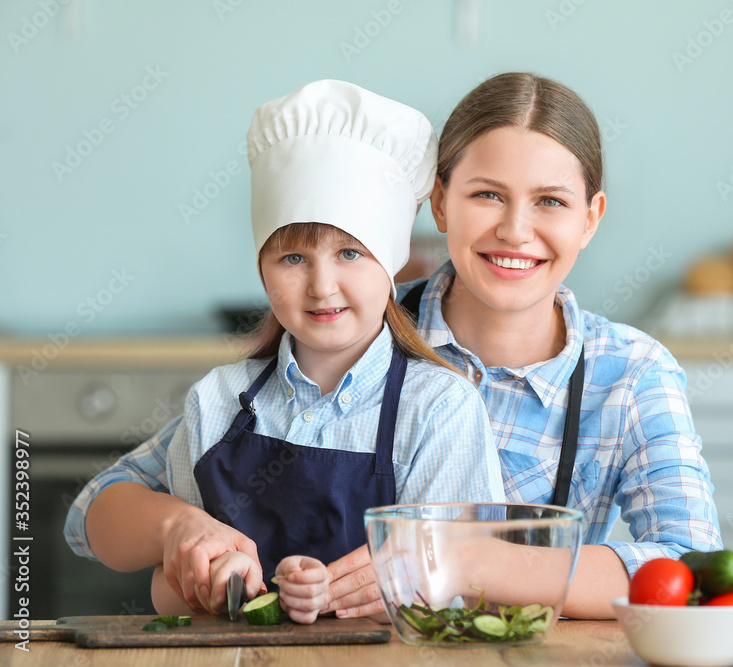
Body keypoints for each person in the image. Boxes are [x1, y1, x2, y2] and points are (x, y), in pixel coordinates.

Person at [66, 72, 722, 621]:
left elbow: (697, 573)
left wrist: (461, 559)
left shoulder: (630, 374)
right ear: (438, 204)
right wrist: (176, 532)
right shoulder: (346, 331)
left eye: (549, 201)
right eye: (487, 194)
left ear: (591, 217)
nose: (515, 230)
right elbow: (103, 504)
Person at [63, 80, 504, 622]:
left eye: (350, 253)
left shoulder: (440, 409)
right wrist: (199, 569)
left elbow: (474, 586)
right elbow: (169, 578)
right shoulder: (217, 401)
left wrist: (406, 581)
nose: (322, 286)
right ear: (262, 270)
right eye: (292, 258)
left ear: (389, 268)